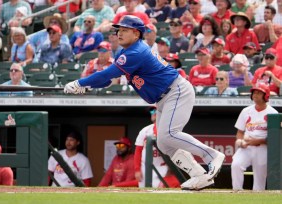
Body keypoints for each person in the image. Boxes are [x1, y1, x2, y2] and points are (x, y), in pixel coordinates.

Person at [64, 15, 226, 190]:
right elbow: (108, 79)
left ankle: (212, 155)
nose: (119, 33)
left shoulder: (136, 52)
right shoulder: (125, 52)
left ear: (136, 33)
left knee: (170, 134)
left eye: (124, 30)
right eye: (119, 30)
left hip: (175, 90)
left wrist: (79, 83)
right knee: (164, 143)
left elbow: (107, 74)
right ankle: (199, 175)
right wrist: (86, 86)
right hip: (164, 96)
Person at [231, 84, 278, 191]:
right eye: (254, 92)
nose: (255, 95)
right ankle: (236, 192)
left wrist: (256, 141)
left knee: (259, 179)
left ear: (265, 96)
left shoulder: (273, 113)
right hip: (246, 147)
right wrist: (240, 141)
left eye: (259, 92)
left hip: (263, 148)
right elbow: (240, 131)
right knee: (236, 165)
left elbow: (275, 138)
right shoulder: (246, 111)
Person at [134, 107, 180, 188]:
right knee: (145, 194)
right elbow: (138, 152)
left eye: (156, 111)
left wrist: (170, 171)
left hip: (163, 168)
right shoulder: (145, 130)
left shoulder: (170, 130)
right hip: (145, 168)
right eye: (152, 111)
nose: (153, 113)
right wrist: (137, 169)